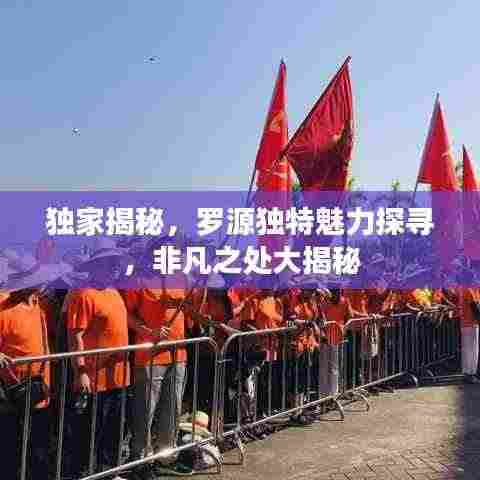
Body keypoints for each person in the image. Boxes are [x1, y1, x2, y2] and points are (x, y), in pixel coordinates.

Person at [66, 240, 131, 479]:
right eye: (109, 262)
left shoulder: (114, 292)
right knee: (90, 433)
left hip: (119, 377)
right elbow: (75, 336)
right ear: (96, 265)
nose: (115, 267)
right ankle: (86, 474)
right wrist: (80, 372)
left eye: (116, 262)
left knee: (114, 429)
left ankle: (109, 472)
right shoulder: (83, 294)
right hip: (95, 379)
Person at [0, 252, 68, 480]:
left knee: (38, 447)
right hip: (12, 393)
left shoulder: (40, 305)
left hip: (40, 390)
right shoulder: (3, 307)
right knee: (12, 448)